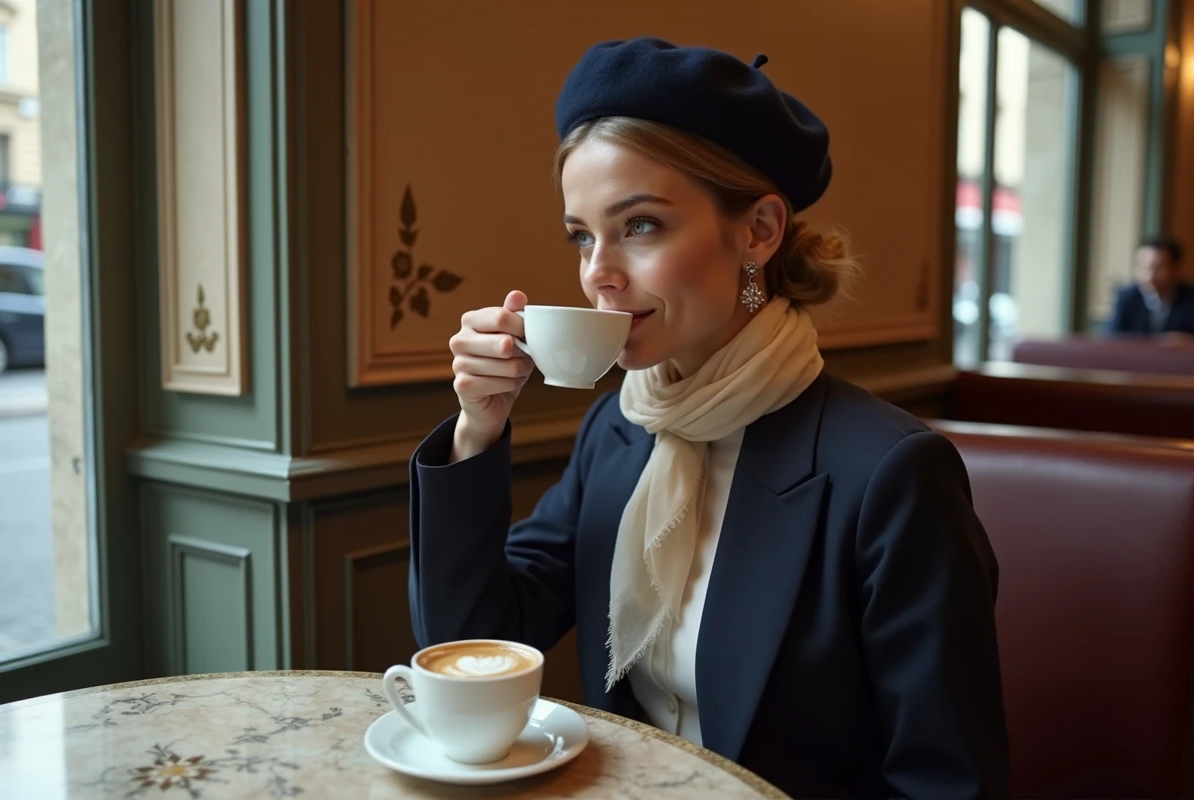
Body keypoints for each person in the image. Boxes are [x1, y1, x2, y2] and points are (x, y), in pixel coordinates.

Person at [409, 37, 1010, 798]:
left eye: (640, 225)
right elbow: (475, 639)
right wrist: (478, 429)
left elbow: (947, 785)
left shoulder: (891, 475)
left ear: (759, 230)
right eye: (582, 236)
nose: (597, 273)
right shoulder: (617, 432)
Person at [1107, 235, 1194, 339]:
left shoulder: (1190, 299)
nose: (1149, 276)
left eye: (1158, 268)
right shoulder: (1127, 298)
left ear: (1176, 269)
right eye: (1142, 267)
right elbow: (1112, 339)